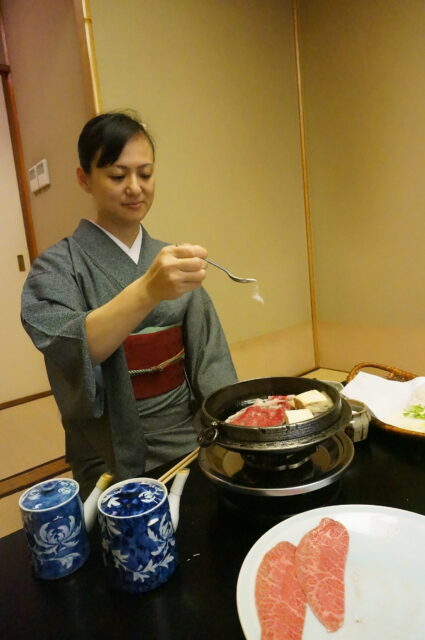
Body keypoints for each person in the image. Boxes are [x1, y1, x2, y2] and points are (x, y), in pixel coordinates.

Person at [21, 111, 238, 498]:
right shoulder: (55, 269)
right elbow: (71, 348)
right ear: (84, 178)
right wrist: (149, 290)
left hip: (188, 446)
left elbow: (212, 360)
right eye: (118, 176)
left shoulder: (169, 261)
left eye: (146, 174)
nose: (135, 188)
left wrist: (233, 432)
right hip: (106, 458)